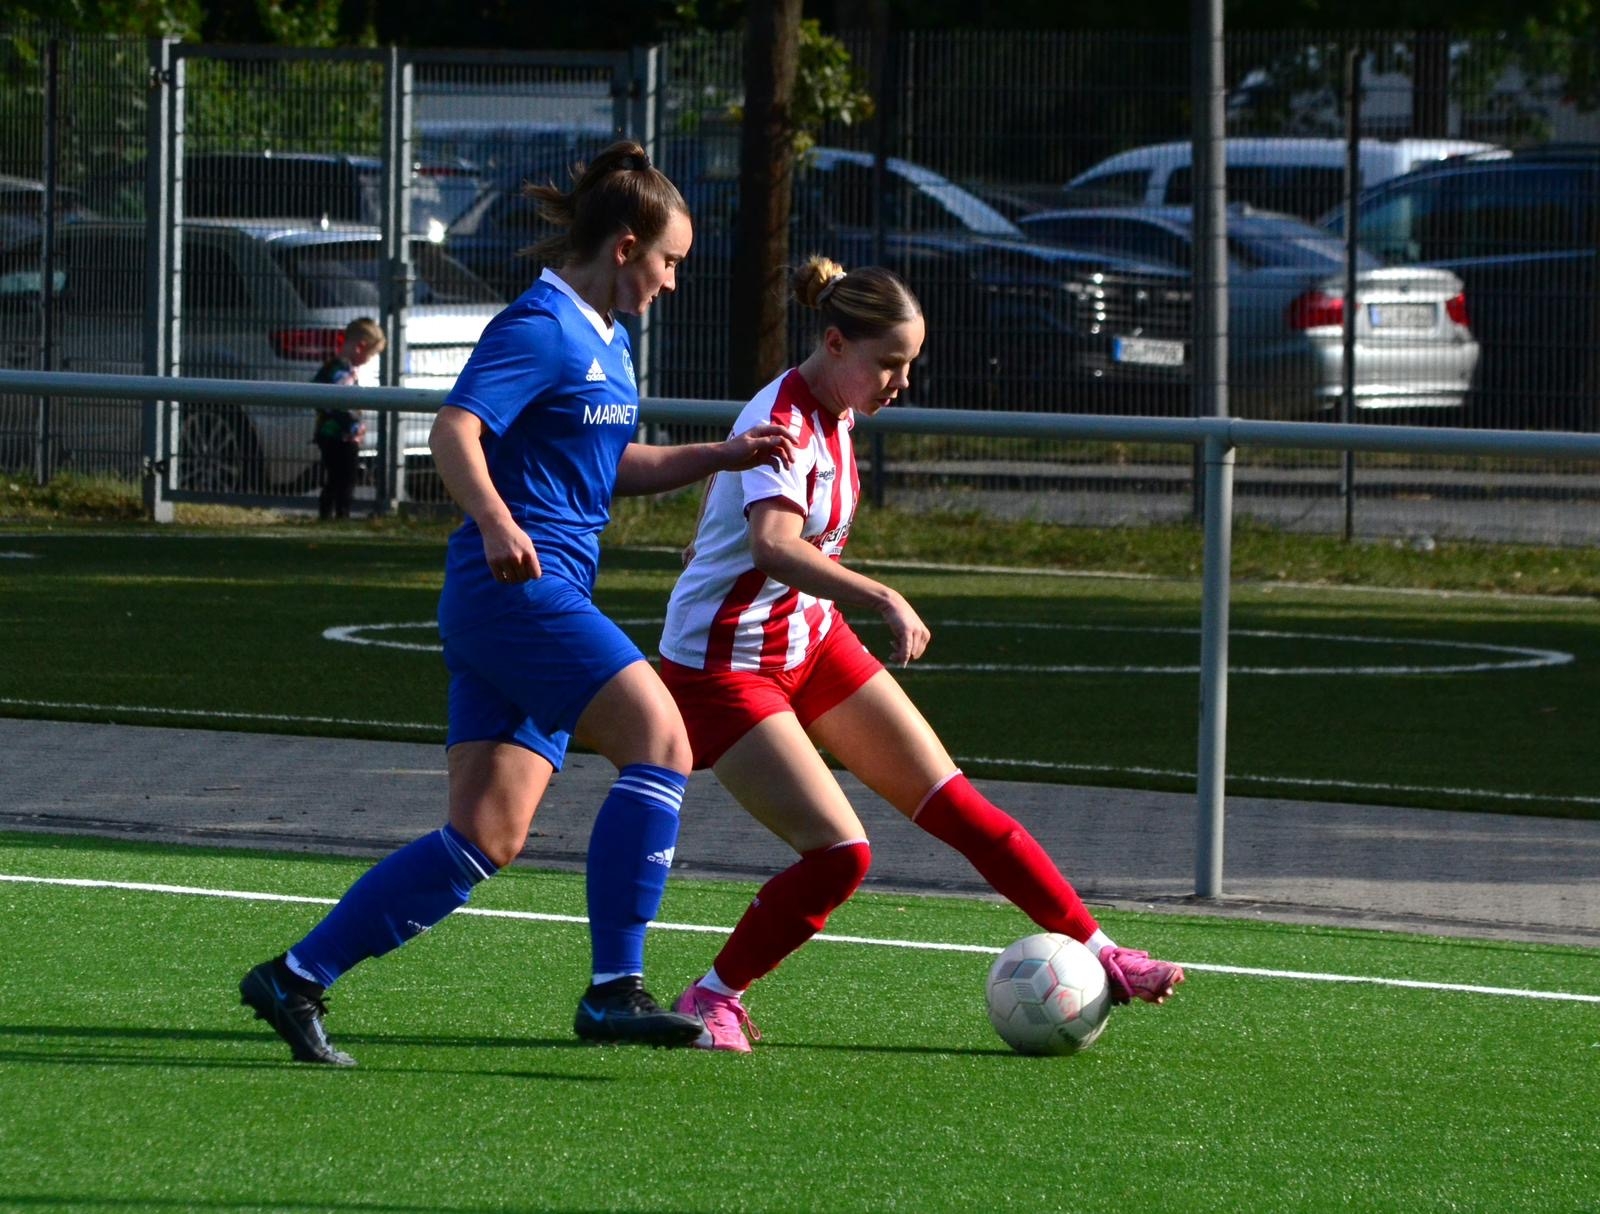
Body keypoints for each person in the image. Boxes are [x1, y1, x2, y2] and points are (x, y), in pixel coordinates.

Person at [240, 140, 798, 1064]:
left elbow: (608, 464)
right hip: (513, 593)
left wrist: (722, 456)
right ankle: (615, 989)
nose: (671, 281)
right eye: (668, 262)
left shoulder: (608, 341)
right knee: (662, 739)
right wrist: (497, 521)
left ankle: (295, 977)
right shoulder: (539, 325)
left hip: (534, 596)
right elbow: (454, 431)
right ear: (625, 247)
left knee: (486, 835)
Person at [658, 256, 1185, 1053]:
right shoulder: (786, 418)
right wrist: (883, 596)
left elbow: (750, 521)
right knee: (841, 854)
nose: (902, 382)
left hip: (808, 636)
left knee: (958, 806)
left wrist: (721, 542)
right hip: (725, 664)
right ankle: (711, 997)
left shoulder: (838, 408)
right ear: (836, 343)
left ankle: (1104, 952)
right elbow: (772, 545)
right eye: (891, 364)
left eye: (910, 364)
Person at [311, 317, 385, 521]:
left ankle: (327, 515)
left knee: (335, 477)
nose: (370, 360)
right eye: (371, 354)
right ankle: (340, 515)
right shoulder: (342, 373)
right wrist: (351, 425)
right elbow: (336, 404)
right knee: (345, 478)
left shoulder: (331, 367)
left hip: (328, 434)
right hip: (340, 435)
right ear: (361, 347)